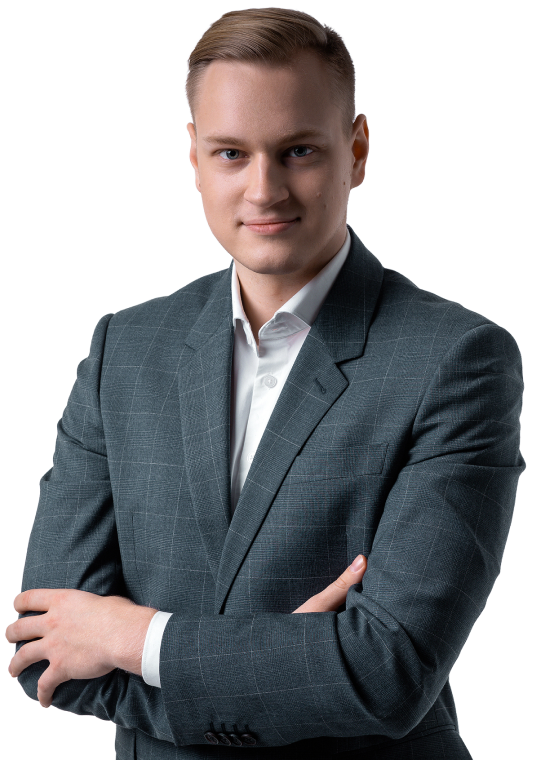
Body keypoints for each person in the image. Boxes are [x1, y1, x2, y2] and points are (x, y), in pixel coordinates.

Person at [5, 7, 525, 760]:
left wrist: (136, 638)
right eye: (231, 153)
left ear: (357, 150)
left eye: (298, 151)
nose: (263, 190)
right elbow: (44, 648)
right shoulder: (126, 348)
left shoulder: (457, 360)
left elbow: (387, 671)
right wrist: (288, 665)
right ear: (193, 156)